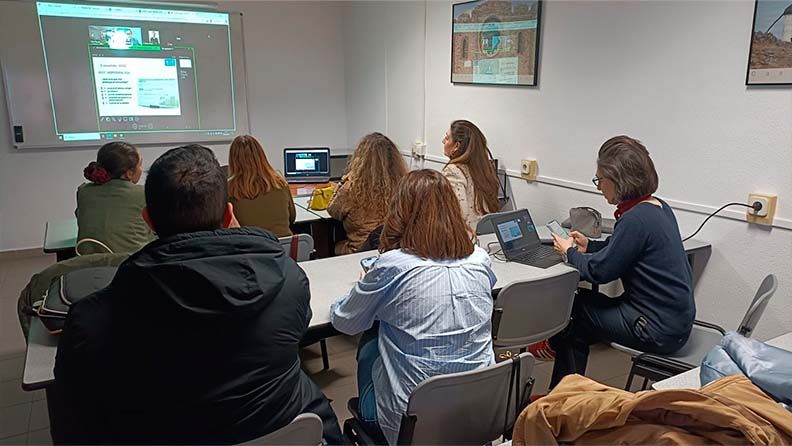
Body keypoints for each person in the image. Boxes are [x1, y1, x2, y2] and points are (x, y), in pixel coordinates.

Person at [55, 145, 342, 444]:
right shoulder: (290, 281)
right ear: (229, 213)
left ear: (148, 220)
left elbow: (75, 420)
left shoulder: (92, 319)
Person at [330, 169, 496, 444]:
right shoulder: (480, 259)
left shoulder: (393, 265)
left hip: (412, 422)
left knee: (373, 333)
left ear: (400, 212)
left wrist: (365, 285)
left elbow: (345, 322)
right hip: (478, 412)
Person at [547, 135, 694, 388]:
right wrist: (589, 245)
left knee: (573, 312)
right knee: (580, 308)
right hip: (674, 322)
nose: (598, 187)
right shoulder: (657, 207)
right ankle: (566, 385)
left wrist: (570, 252)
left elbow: (599, 271)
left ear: (618, 180)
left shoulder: (635, 219)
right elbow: (624, 250)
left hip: (655, 329)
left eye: (600, 180)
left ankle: (563, 395)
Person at [327, 132, 408, 255]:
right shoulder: (403, 185)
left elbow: (333, 211)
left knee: (332, 242)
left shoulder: (352, 187)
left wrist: (342, 182)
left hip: (359, 250)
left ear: (360, 160)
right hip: (393, 249)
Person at [76, 141, 154, 254]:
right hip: (132, 264)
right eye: (140, 165)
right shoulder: (143, 193)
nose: (142, 169)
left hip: (90, 263)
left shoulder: (83, 191)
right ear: (129, 173)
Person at [227, 135, 296, 237]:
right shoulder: (280, 183)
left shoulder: (229, 188)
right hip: (284, 248)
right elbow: (292, 217)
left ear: (233, 160)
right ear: (261, 156)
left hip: (252, 249)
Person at [441, 120, 501, 230]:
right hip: (487, 236)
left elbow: (457, 213)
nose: (443, 141)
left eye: (447, 138)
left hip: (465, 238)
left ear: (456, 146)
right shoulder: (485, 170)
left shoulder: (453, 170)